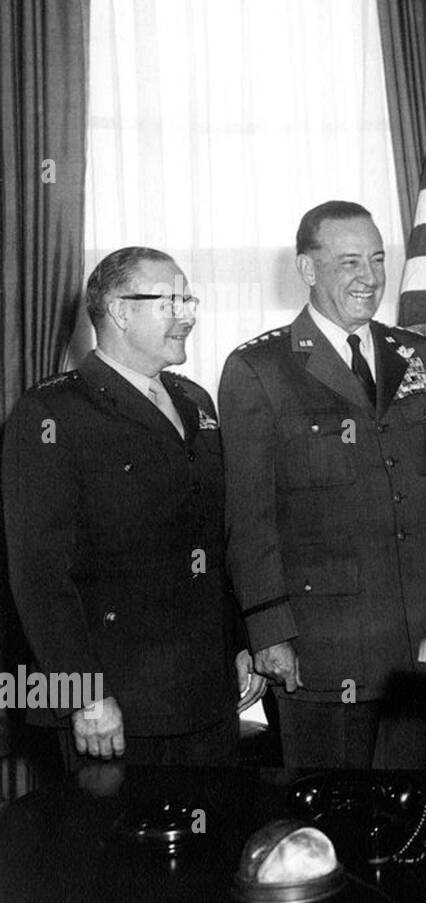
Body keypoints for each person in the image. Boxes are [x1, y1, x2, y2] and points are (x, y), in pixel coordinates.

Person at [3, 247, 255, 766]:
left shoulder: (195, 401)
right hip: (116, 704)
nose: (187, 314)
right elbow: (39, 574)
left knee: (213, 836)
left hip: (205, 694)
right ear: (119, 311)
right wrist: (82, 695)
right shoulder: (52, 412)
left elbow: (213, 537)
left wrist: (238, 643)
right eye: (170, 300)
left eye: (189, 299)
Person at [219, 201, 426, 769]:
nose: (369, 278)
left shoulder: (422, 357)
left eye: (376, 259)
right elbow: (249, 517)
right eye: (348, 263)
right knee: (328, 824)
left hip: (417, 643)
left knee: (409, 813)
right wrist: (268, 630)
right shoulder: (260, 369)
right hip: (320, 647)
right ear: (308, 269)